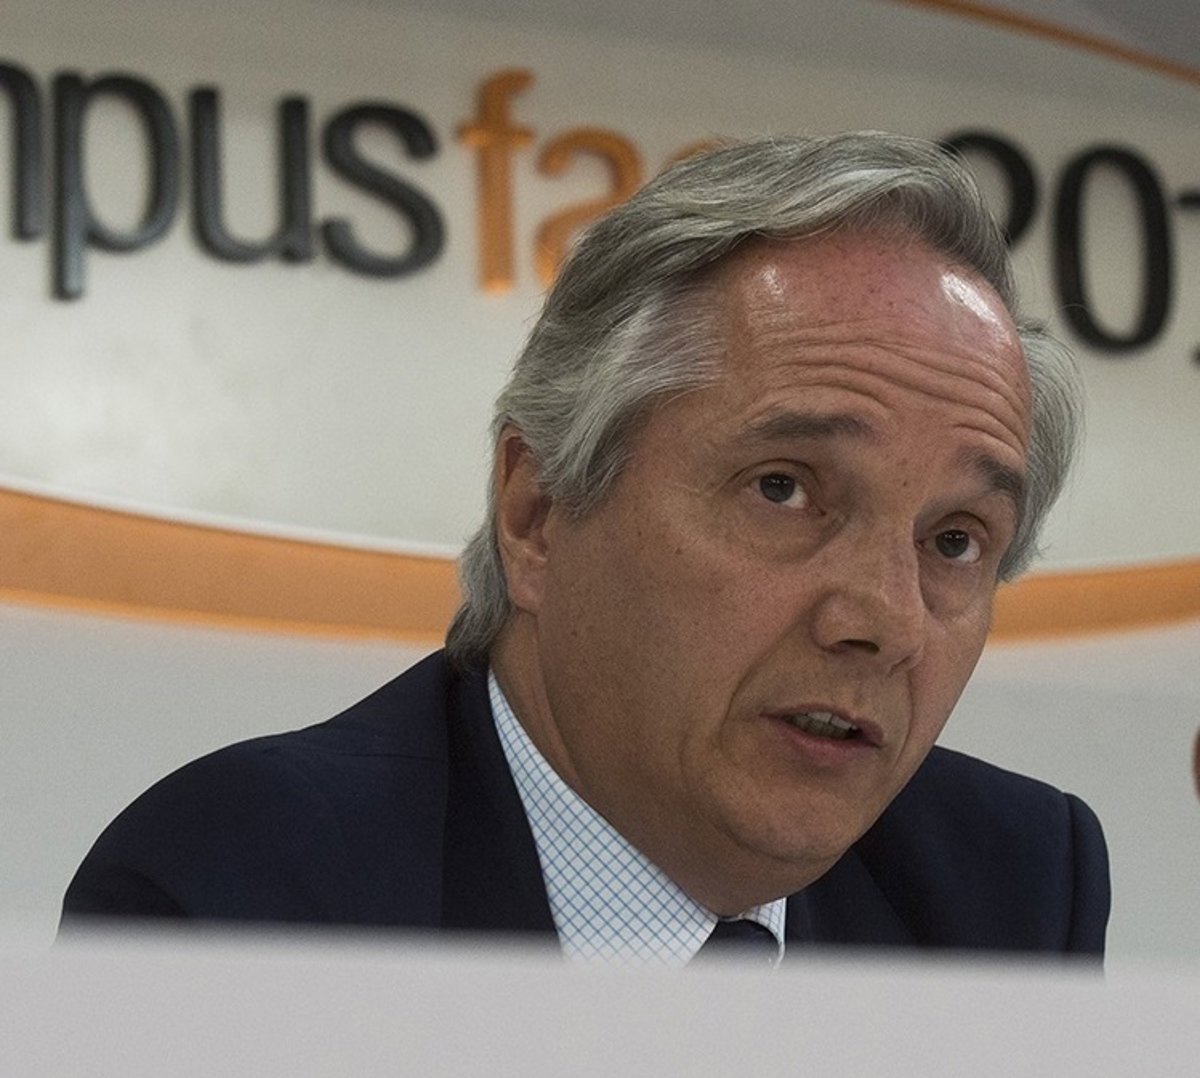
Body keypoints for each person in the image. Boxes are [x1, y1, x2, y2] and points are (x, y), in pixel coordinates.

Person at [62, 132, 1110, 965]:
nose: (882, 618)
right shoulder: (245, 893)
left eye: (955, 540)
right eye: (783, 489)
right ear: (538, 513)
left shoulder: (1011, 890)